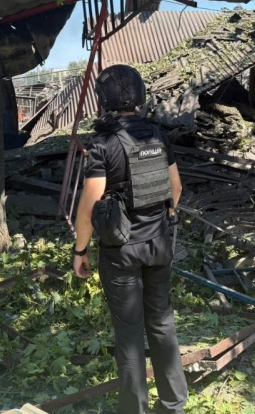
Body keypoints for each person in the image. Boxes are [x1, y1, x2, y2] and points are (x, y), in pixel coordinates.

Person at [72, 64, 187, 414]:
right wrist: (161, 219)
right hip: (159, 245)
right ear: (139, 95)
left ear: (104, 99)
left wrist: (80, 250)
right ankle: (173, 405)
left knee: (130, 335)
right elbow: (176, 188)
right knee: (162, 324)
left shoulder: (103, 143)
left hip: (120, 252)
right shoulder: (156, 135)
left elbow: (89, 206)